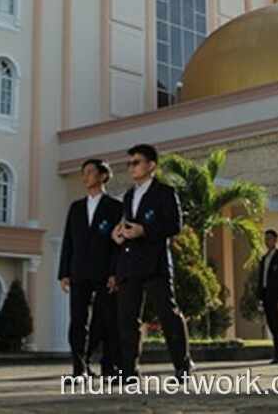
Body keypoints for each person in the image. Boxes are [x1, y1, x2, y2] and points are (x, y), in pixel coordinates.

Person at [112, 143, 195, 380]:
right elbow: (128, 223)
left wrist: (145, 230)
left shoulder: (165, 192)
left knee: (168, 315)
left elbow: (174, 225)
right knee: (127, 319)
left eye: (136, 162)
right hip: (130, 264)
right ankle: (129, 371)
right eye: (129, 163)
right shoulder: (129, 195)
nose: (131, 167)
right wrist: (119, 233)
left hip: (155, 264)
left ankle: (183, 365)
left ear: (151, 165)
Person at [59, 158, 124, 377]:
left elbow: (118, 244)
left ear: (103, 176)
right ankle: (79, 369)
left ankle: (109, 367)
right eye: (83, 173)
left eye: (89, 172)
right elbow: (68, 241)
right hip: (78, 272)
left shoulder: (116, 207)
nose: (85, 177)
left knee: (107, 320)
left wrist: (115, 272)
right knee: (77, 321)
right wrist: (64, 273)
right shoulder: (76, 208)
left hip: (105, 273)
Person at [256, 228, 278, 364]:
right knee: (271, 324)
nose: (267, 241)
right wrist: (259, 297)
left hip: (277, 296)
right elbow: (261, 279)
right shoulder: (264, 259)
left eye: (269, 239)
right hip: (266, 295)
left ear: (275, 240)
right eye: (265, 239)